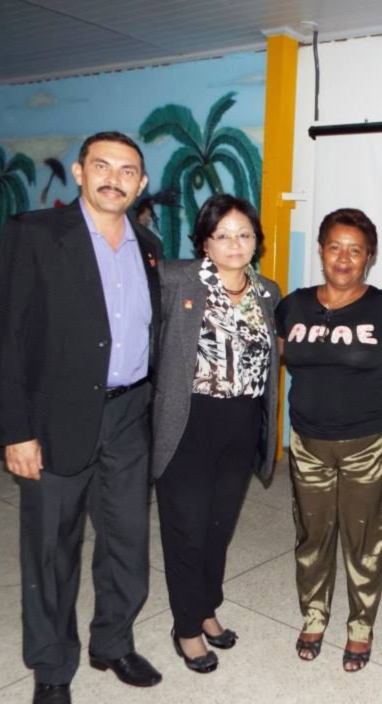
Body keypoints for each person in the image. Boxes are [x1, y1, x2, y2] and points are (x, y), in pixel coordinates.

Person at [0, 131, 163, 704]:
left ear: (141, 183)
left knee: (127, 541)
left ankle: (112, 642)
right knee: (50, 549)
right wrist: (16, 431)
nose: (115, 178)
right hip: (54, 418)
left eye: (128, 170)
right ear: (81, 172)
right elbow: (5, 339)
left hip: (130, 413)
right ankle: (52, 669)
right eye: (102, 166)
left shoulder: (148, 243)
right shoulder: (35, 234)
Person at [275, 208, 382, 672]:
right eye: (335, 247)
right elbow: (267, 357)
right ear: (321, 250)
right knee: (312, 535)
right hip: (307, 441)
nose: (344, 258)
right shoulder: (292, 305)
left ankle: (360, 626)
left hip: (368, 442)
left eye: (355, 250)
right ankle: (314, 616)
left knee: (363, 540)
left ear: (369, 256)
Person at [151, 193, 280, 673]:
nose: (234, 243)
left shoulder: (268, 293)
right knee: (186, 529)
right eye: (222, 234)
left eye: (244, 234)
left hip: (242, 424)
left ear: (256, 242)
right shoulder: (174, 280)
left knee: (218, 528)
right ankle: (186, 627)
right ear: (204, 241)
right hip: (188, 421)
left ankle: (206, 608)